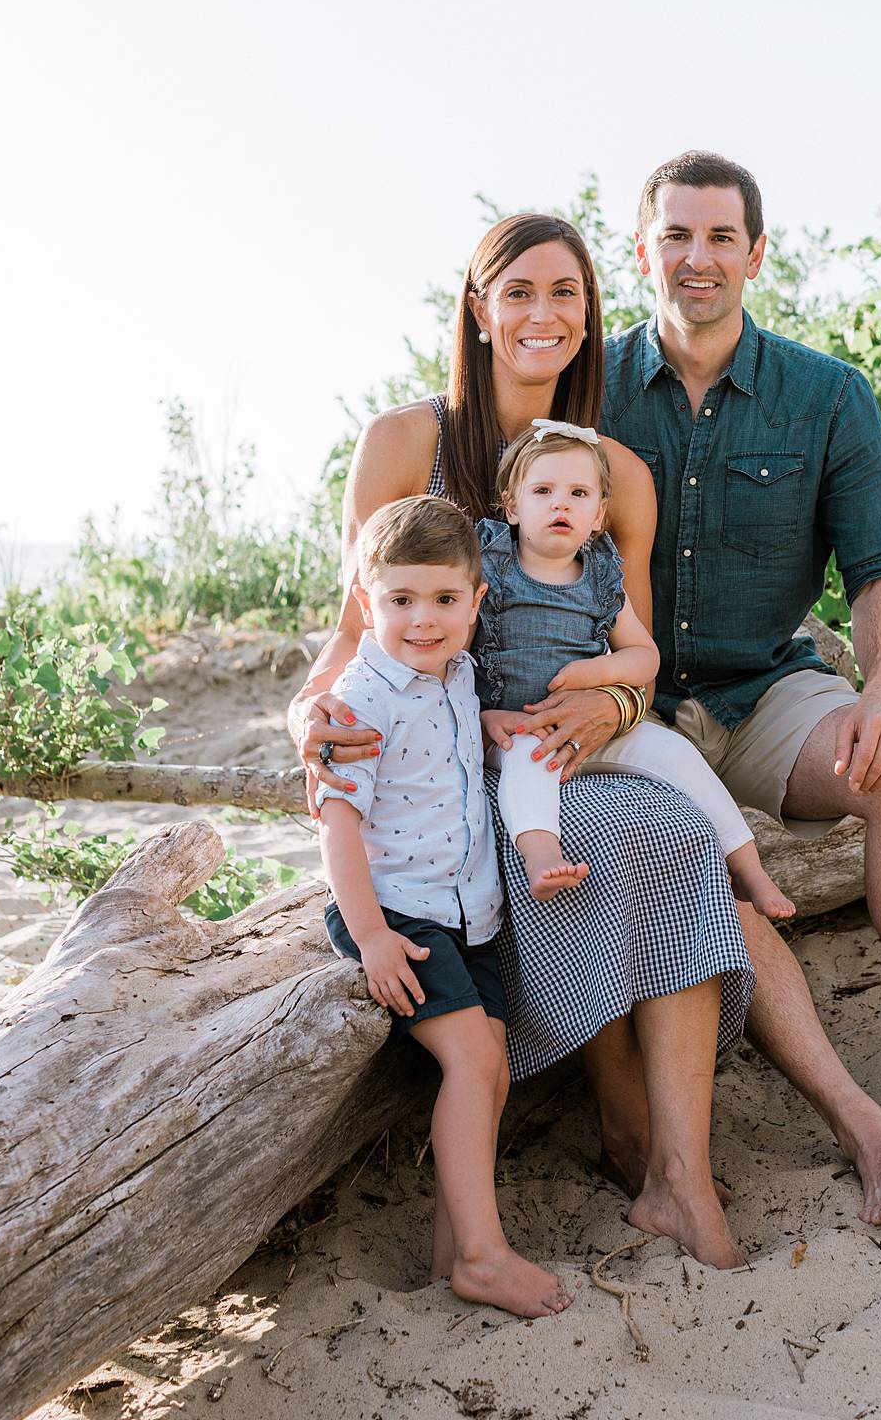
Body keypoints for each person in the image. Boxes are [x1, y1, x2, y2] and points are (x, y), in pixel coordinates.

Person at [517, 151, 881, 1224]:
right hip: (624, 709)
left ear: (756, 252)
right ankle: (854, 1122)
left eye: (720, 237)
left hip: (766, 689)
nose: (698, 258)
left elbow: (880, 572)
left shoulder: (827, 396)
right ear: (643, 252)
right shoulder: (580, 394)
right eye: (676, 236)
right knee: (706, 875)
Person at [290, 212, 754, 1269]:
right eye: (521, 291)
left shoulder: (614, 472)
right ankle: (625, 1118)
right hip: (433, 772)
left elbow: (629, 653)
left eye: (568, 295)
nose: (545, 314)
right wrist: (306, 719)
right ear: (477, 306)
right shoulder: (405, 443)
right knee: (603, 838)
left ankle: (678, 1168)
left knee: (667, 828)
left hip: (556, 737)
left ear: (593, 317)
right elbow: (352, 631)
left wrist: (616, 709)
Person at [317, 495, 575, 1318]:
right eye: (399, 601)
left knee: (491, 1071)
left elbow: (451, 741)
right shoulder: (362, 699)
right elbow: (337, 826)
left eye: (442, 600)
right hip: (398, 916)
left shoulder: (457, 674)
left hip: (473, 914)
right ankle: (484, 1256)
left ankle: (449, 1256)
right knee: (470, 1062)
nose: (422, 621)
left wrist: (488, 720)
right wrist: (371, 939)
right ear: (367, 603)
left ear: (476, 600)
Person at [475, 420, 794, 918]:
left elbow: (645, 657)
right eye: (543, 491)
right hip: (519, 728)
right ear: (512, 507)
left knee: (675, 751)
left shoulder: (601, 578)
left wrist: (591, 674)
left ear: (599, 514)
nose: (561, 503)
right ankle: (541, 858)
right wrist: (482, 719)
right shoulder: (490, 569)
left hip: (597, 722)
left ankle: (751, 872)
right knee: (527, 764)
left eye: (578, 493)